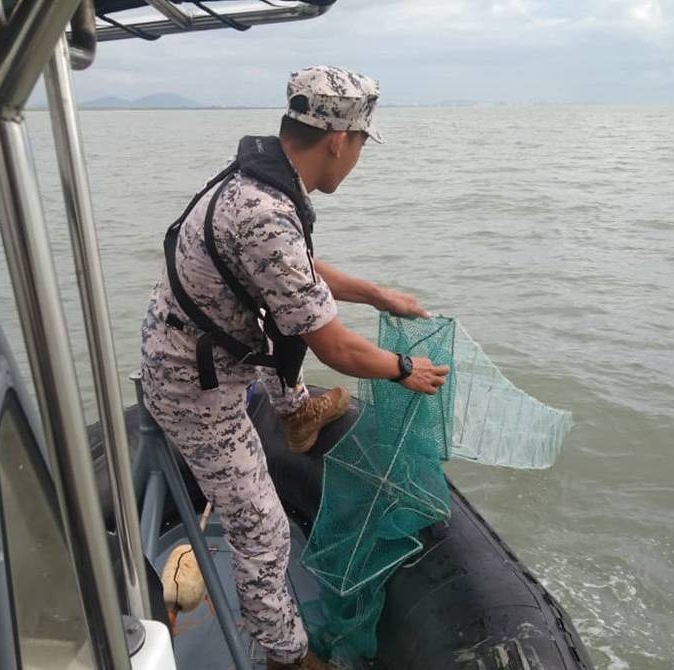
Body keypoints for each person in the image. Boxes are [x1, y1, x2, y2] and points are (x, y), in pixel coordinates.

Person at [140, 65, 450, 670]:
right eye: (360, 144)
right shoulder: (264, 212)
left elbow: (301, 272)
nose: (356, 158)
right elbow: (333, 345)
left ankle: (297, 409)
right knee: (264, 533)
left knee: (282, 334)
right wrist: (404, 366)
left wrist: (380, 296)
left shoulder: (258, 186)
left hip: (198, 354)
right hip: (194, 390)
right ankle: (287, 658)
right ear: (339, 139)